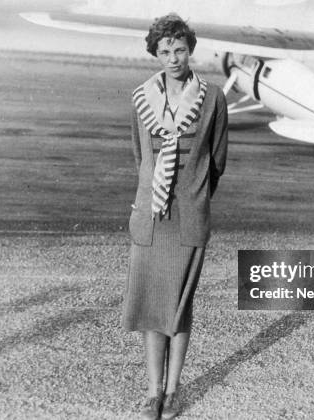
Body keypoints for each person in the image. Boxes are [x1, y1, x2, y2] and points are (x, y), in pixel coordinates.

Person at [121, 13, 228, 420]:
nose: (173, 57)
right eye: (164, 51)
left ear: (190, 50)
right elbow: (140, 156)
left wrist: (194, 195)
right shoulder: (141, 97)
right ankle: (152, 394)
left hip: (189, 215)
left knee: (179, 306)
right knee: (151, 304)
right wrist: (155, 192)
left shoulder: (212, 97)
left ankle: (173, 391)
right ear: (155, 53)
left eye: (179, 49)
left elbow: (216, 161)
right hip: (150, 215)